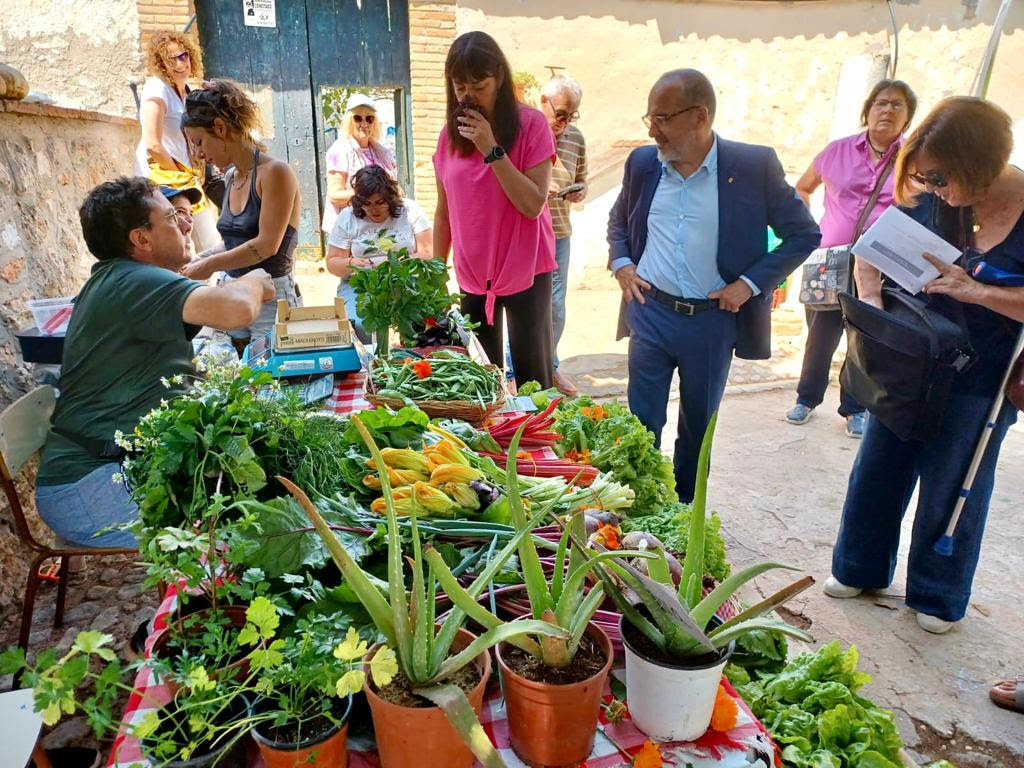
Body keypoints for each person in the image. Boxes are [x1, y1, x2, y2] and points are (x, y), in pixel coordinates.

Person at [826, 97, 1024, 634]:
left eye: (940, 176)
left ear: (979, 165)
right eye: (924, 176)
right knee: (879, 466)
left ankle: (937, 594)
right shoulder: (937, 199)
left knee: (955, 481)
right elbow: (871, 250)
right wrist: (872, 307)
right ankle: (859, 567)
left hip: (985, 376)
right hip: (912, 362)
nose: (931, 186)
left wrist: (977, 292)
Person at [608, 69, 820, 503]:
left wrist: (749, 283)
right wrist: (622, 264)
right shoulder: (643, 164)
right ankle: (635, 511)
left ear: (699, 116)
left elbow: (804, 234)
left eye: (663, 118)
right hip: (649, 312)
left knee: (697, 429)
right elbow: (618, 222)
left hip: (710, 323)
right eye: (649, 118)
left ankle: (684, 515)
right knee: (640, 424)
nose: (653, 130)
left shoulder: (751, 166)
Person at [34, 177, 274, 547]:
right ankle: (198, 604)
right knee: (245, 526)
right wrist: (256, 281)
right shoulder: (132, 281)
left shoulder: (125, 279)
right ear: (141, 239)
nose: (184, 224)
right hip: (88, 488)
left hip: (108, 470)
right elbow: (237, 310)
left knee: (259, 485)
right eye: (171, 217)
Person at [786, 80, 918, 438]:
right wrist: (809, 229)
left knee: (864, 338)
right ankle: (806, 398)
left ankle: (854, 408)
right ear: (868, 110)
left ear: (907, 117)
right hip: (829, 260)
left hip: (879, 268)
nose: (887, 110)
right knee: (820, 335)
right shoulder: (837, 151)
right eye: (881, 103)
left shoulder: (912, 161)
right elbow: (801, 187)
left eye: (897, 105)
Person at [433, 31, 557, 388]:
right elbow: (444, 214)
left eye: (479, 84)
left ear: (499, 79)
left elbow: (533, 204)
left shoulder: (531, 125)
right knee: (480, 382)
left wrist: (491, 148)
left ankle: (535, 443)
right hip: (472, 275)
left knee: (534, 382)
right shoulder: (448, 137)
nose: (468, 97)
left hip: (526, 270)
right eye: (459, 87)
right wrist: (436, 272)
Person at [181, 79, 303, 355]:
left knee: (272, 388)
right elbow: (235, 242)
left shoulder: (276, 173)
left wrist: (209, 264)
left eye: (199, 142)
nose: (199, 154)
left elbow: (266, 246)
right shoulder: (231, 176)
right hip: (232, 293)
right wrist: (197, 260)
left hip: (272, 298)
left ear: (221, 129)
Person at [325, 165, 432, 343]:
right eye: (366, 204)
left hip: (407, 282)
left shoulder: (410, 210)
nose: (374, 209)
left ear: (390, 198)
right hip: (361, 284)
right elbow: (332, 262)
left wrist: (395, 265)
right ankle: (370, 365)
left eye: (380, 202)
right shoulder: (347, 217)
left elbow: (429, 253)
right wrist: (354, 263)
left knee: (423, 324)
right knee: (359, 326)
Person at [135, 30, 220, 252]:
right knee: (204, 245)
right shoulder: (157, 88)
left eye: (184, 56)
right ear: (161, 63)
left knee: (197, 248)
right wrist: (182, 177)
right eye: (172, 59)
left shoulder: (188, 91)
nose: (181, 63)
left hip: (185, 180)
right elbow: (152, 143)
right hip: (168, 182)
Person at [537, 74, 588, 396]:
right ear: (543, 102)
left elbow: (584, 179)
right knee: (529, 305)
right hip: (528, 234)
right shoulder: (525, 133)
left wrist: (578, 192)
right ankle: (519, 371)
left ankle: (550, 367)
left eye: (571, 115)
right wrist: (541, 186)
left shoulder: (576, 139)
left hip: (559, 233)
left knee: (555, 307)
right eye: (561, 114)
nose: (565, 122)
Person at [322, 93, 399, 235]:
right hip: (348, 230)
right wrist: (370, 194)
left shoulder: (382, 153)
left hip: (380, 228)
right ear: (348, 121)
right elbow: (335, 196)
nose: (364, 124)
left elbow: (395, 189)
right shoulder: (340, 151)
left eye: (369, 119)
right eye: (358, 118)